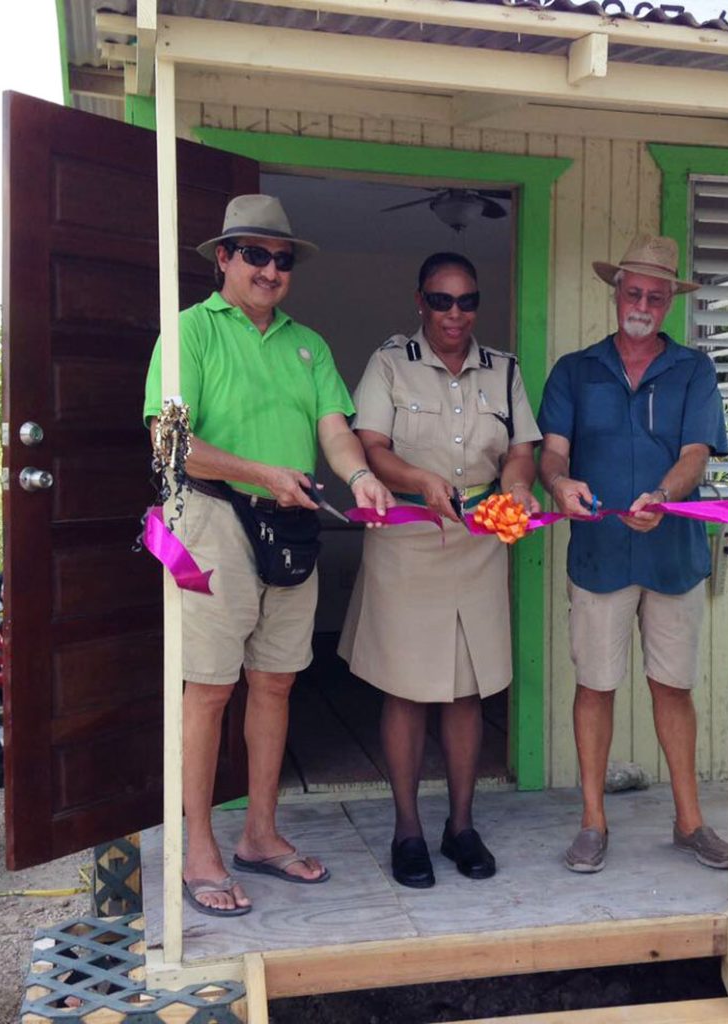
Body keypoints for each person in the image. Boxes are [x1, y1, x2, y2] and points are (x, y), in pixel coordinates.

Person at [143, 194, 392, 916]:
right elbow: (173, 444)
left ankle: (259, 834)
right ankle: (200, 849)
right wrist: (262, 473)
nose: (270, 269)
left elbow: (336, 428)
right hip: (213, 519)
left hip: (291, 524)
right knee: (210, 689)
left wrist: (361, 475)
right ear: (223, 257)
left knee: (276, 683)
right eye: (255, 254)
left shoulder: (306, 343)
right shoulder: (186, 333)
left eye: (282, 259)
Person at [338, 252, 542, 888]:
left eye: (468, 301)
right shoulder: (389, 362)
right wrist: (420, 480)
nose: (456, 314)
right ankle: (407, 830)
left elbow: (521, 450)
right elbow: (372, 448)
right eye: (442, 300)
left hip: (480, 536)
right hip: (408, 537)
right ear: (420, 301)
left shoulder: (503, 369)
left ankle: (461, 826)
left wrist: (515, 487)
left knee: (466, 688)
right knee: (405, 688)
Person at [537, 234, 728, 873]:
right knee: (596, 685)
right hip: (599, 552)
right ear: (615, 292)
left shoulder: (694, 370)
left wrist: (663, 495)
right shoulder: (575, 368)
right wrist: (559, 484)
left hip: (672, 553)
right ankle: (592, 821)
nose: (642, 303)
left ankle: (689, 821)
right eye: (633, 291)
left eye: (655, 294)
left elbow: (696, 455)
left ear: (669, 302)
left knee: (672, 688)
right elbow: (553, 452)